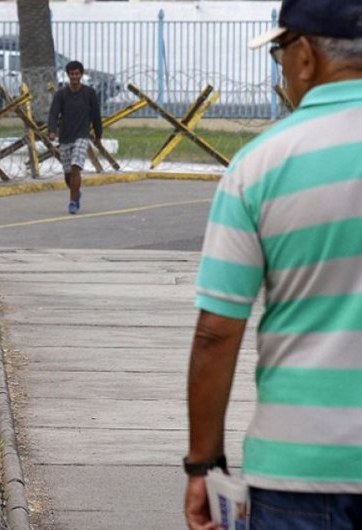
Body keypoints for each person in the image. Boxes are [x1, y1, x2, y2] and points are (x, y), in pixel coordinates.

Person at [184, 0, 362, 528]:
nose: (282, 68)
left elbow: (217, 331)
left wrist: (203, 464)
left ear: (305, 55)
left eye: (280, 51)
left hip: (299, 472)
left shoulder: (261, 166)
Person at [46, 60, 103, 215]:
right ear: (68, 75)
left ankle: (72, 202)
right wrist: (52, 130)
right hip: (65, 137)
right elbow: (53, 114)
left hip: (82, 136)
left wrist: (98, 136)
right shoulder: (61, 95)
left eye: (77, 74)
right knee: (68, 174)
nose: (74, 77)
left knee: (76, 167)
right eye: (72, 74)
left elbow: (96, 116)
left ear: (81, 75)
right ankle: (76, 193)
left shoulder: (89, 93)